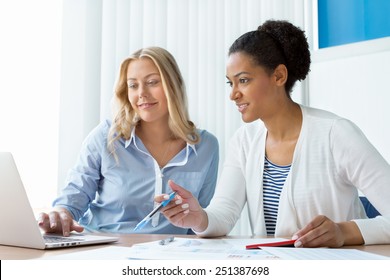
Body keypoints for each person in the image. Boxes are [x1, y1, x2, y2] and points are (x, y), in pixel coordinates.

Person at [158, 20, 390, 247]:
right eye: (231, 83)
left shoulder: (335, 134)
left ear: (279, 76)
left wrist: (343, 231)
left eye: (244, 80)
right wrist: (198, 217)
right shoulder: (244, 141)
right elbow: (225, 213)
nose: (233, 94)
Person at [38, 46, 219, 236]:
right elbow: (74, 198)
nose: (141, 93)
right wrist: (61, 214)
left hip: (169, 256)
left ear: (174, 85)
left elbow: (200, 218)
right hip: (106, 249)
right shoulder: (105, 137)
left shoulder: (206, 146)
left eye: (152, 82)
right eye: (133, 85)